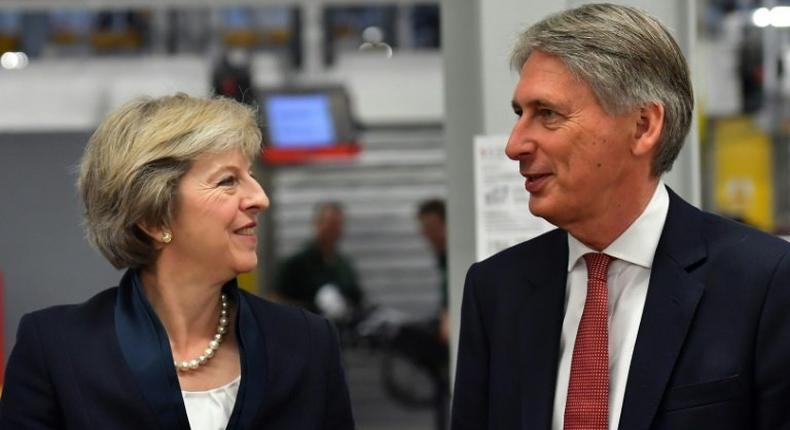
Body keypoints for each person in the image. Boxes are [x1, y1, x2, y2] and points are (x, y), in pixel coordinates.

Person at [451, 4, 790, 430]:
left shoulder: (765, 283)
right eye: (520, 115)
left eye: (548, 114)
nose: (515, 145)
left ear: (643, 127)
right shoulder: (496, 290)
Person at [0, 94, 355, 429]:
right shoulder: (57, 350)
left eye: (251, 176)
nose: (259, 197)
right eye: (228, 181)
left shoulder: (308, 343)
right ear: (154, 218)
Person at [272, 202, 363, 320]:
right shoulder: (296, 263)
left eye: (337, 225)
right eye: (330, 225)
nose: (334, 231)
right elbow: (276, 301)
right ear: (317, 224)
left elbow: (357, 299)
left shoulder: (344, 265)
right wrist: (311, 309)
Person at [416, 198, 450, 430]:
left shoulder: (453, 254)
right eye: (424, 229)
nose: (427, 235)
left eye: (431, 228)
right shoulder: (441, 256)